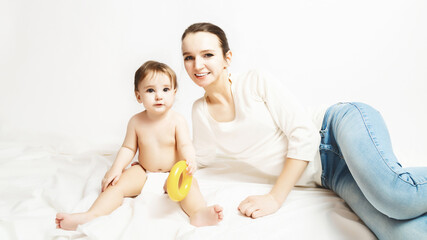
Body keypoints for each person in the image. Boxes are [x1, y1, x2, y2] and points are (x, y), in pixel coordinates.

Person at [181, 22, 427, 239]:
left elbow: (304, 135)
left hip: (335, 129)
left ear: (227, 58)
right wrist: (166, 170)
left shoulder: (254, 82)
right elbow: (198, 159)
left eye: (207, 54)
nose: (197, 65)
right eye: (188, 57)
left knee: (397, 198)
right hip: (330, 175)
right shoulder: (200, 111)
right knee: (405, 235)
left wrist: (275, 198)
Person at [55, 60, 224, 230]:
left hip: (173, 172)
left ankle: (198, 213)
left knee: (190, 187)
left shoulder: (177, 121)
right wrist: (116, 168)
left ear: (174, 92)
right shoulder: (136, 122)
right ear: (138, 96)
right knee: (116, 186)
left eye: (165, 89)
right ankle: (92, 214)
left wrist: (189, 160)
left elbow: (185, 145)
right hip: (143, 171)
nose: (159, 96)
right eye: (150, 90)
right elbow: (128, 148)